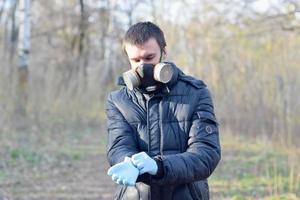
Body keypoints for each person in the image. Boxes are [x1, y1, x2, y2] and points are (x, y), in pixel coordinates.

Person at [106, 21, 221, 200]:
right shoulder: (118, 100)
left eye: (149, 57)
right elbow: (119, 147)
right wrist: (126, 161)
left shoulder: (196, 93)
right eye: (136, 60)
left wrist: (159, 166)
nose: (142, 67)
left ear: (164, 53)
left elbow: (206, 154)